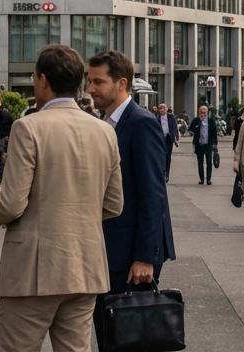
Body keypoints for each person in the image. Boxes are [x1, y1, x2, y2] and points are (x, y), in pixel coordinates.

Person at [0, 44, 124, 352]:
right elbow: (114, 203)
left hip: (33, 270)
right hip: (86, 265)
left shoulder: (29, 127)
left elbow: (10, 205)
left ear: (42, 79)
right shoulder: (104, 131)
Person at [86, 50, 175, 351]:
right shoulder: (107, 122)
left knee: (129, 340)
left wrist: (145, 256)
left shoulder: (141, 122)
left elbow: (154, 194)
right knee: (110, 336)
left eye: (98, 82)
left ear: (122, 83)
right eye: (89, 81)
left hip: (131, 253)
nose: (90, 89)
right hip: (110, 248)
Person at [188, 105, 219, 185]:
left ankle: (208, 179)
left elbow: (214, 132)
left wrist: (215, 143)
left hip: (208, 144)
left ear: (207, 112)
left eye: (204, 112)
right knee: (200, 162)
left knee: (209, 162)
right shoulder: (196, 120)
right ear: (199, 112)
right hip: (199, 144)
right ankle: (202, 178)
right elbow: (190, 128)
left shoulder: (211, 121)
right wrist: (199, 123)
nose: (203, 114)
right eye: (201, 112)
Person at [156, 103, 180, 181]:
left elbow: (174, 127)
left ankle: (167, 173)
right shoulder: (156, 118)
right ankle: (161, 172)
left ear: (166, 109)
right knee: (160, 156)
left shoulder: (171, 117)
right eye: (161, 108)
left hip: (169, 138)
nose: (162, 109)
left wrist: (176, 138)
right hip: (160, 139)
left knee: (168, 156)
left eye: (164, 108)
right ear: (158, 110)